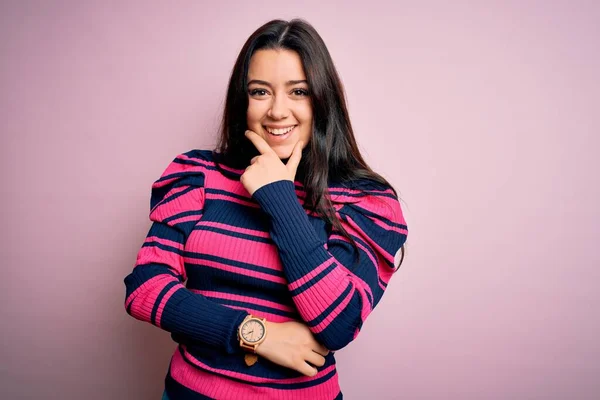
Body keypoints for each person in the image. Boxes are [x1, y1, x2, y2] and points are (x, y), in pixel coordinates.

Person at [124, 18, 408, 400]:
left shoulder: (366, 201)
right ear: (243, 99)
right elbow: (145, 289)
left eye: (298, 92)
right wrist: (255, 334)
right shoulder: (197, 174)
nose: (277, 111)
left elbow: (337, 324)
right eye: (260, 91)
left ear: (323, 100)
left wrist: (279, 198)